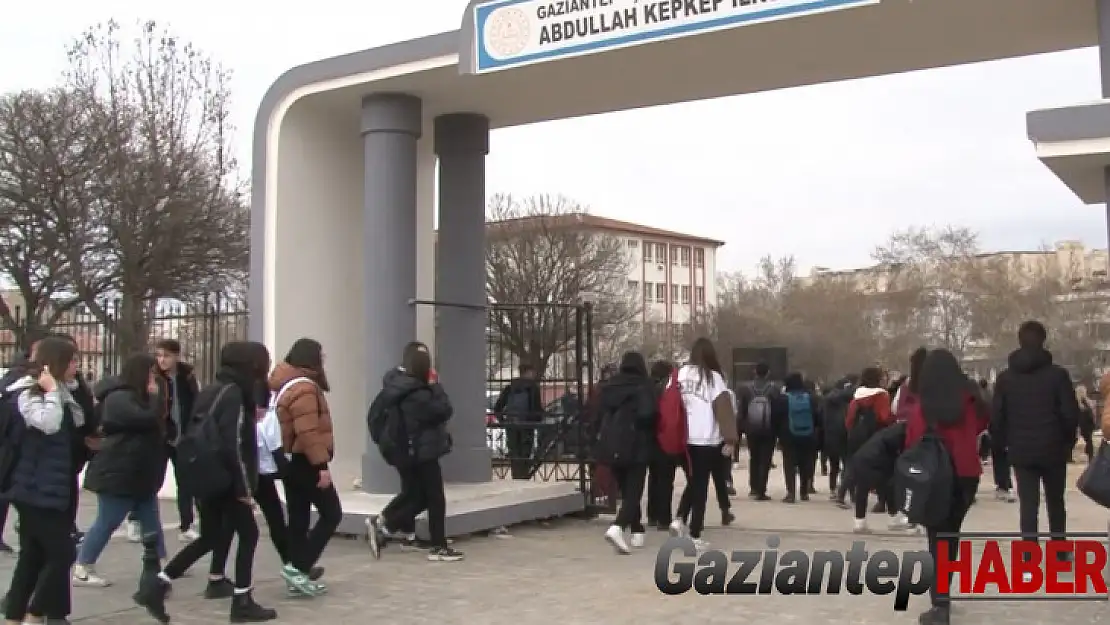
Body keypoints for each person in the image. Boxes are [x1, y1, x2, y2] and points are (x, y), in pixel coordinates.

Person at [134, 341, 278, 623]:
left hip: (204, 473)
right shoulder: (234, 394)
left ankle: (158, 583)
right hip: (225, 477)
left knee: (211, 536)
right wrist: (243, 488)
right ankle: (242, 600)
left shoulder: (213, 389)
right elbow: (233, 444)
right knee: (249, 533)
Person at [1, 337, 84, 624]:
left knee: (32, 557)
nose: (78, 366)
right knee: (63, 553)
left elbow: (81, 419)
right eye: (73, 360)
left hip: (52, 485)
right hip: (33, 487)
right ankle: (35, 613)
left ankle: (14, 617)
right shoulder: (29, 392)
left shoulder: (60, 390)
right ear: (58, 362)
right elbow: (47, 424)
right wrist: (51, 391)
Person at [907, 349, 990, 625]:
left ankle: (940, 604)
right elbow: (981, 425)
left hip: (935, 476)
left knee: (936, 539)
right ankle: (943, 595)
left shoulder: (922, 405)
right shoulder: (970, 399)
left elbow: (914, 441)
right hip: (967, 474)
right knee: (951, 535)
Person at [72, 353, 168, 588]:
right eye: (151, 372)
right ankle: (83, 566)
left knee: (151, 521)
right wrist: (156, 397)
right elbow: (146, 420)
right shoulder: (119, 398)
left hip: (139, 472)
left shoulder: (139, 397)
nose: (154, 378)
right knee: (108, 520)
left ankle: (159, 566)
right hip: (118, 471)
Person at [368, 343, 462, 562]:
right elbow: (443, 410)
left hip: (404, 450)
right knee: (434, 497)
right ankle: (434, 544)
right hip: (421, 451)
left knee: (414, 494)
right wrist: (435, 386)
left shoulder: (395, 384)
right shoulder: (417, 392)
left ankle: (390, 527)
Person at [992, 320, 1079, 552]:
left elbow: (997, 417)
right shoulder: (1058, 375)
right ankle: (1059, 550)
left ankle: (1029, 556)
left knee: (1028, 505)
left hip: (1021, 450)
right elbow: (1070, 414)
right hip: (1053, 448)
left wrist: (1004, 445)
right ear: (1043, 340)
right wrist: (1067, 443)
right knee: (1055, 502)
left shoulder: (1005, 379)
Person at [266, 338, 341, 589]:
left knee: (298, 518)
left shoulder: (284, 384)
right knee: (332, 513)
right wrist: (321, 467)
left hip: (289, 461)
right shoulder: (305, 388)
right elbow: (308, 432)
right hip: (305, 461)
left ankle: (297, 571)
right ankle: (298, 567)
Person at [128, 339, 200, 544]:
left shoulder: (187, 376)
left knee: (185, 482)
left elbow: (195, 402)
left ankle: (187, 525)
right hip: (160, 436)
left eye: (166, 356)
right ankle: (135, 520)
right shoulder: (154, 378)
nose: (162, 360)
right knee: (152, 480)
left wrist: (193, 428)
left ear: (177, 356)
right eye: (159, 356)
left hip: (183, 435)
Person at [669, 338, 739, 550]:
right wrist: (731, 439)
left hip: (682, 438)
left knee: (694, 481)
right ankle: (695, 533)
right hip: (706, 440)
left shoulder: (678, 375)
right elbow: (724, 411)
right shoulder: (713, 378)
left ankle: (679, 518)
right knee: (700, 487)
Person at [595, 352, 658, 553]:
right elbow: (648, 415)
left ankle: (637, 530)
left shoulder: (610, 386)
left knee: (626, 491)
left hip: (613, 445)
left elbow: (599, 414)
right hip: (637, 445)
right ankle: (618, 527)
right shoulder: (644, 386)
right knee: (634, 493)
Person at [844, 366, 895, 531]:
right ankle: (895, 517)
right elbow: (885, 417)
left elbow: (849, 421)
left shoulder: (857, 396)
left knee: (862, 483)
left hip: (858, 443)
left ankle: (860, 521)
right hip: (878, 442)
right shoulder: (881, 395)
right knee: (886, 477)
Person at [735, 362, 780, 501]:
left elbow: (741, 411)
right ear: (768, 373)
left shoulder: (745, 389)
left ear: (755, 372)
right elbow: (778, 411)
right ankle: (761, 490)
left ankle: (753, 487)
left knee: (754, 457)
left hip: (751, 429)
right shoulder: (774, 389)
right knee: (765, 460)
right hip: (769, 429)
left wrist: (740, 429)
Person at [493, 364, 543, 480]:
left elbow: (498, 408)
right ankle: (524, 475)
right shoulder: (532, 387)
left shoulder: (510, 387)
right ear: (529, 372)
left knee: (514, 452)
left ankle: (516, 475)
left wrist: (503, 421)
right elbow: (537, 408)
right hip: (527, 425)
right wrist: (538, 420)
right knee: (525, 451)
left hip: (512, 425)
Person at [645, 360, 678, 530]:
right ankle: (664, 518)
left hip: (649, 438)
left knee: (653, 477)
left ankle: (652, 514)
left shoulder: (646, 388)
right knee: (666, 479)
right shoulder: (667, 389)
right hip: (664, 437)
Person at [779, 372, 819, 503]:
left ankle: (791, 492)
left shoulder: (783, 399)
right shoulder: (812, 398)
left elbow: (777, 418)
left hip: (788, 435)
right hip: (808, 435)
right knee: (806, 463)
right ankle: (804, 492)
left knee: (789, 463)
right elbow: (818, 417)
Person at [824, 374, 857, 503]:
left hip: (831, 435)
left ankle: (833, 490)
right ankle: (850, 492)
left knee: (834, 465)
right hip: (845, 434)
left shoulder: (828, 400)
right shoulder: (848, 400)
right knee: (848, 464)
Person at [1075, 385, 1096, 463]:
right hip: (1083, 424)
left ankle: (1090, 455)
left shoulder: (1086, 401)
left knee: (1088, 440)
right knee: (1087, 440)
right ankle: (1090, 455)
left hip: (1087, 423)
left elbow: (1090, 413)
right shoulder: (1078, 402)